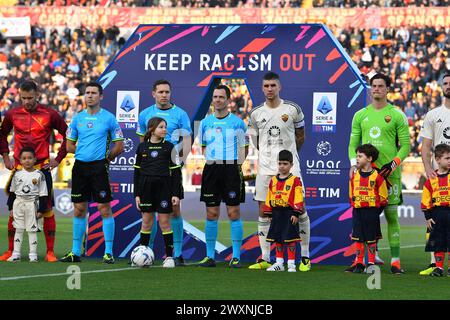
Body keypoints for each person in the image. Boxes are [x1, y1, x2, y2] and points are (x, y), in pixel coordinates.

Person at [248, 71, 311, 272]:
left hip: (291, 169)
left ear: (279, 87)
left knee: (299, 210)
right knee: (264, 213)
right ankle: (266, 257)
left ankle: (305, 257)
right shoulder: (256, 113)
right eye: (266, 86)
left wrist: (288, 158)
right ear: (262, 88)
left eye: (273, 85)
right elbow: (255, 140)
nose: (269, 89)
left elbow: (300, 136)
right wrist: (269, 156)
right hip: (265, 169)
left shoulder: (292, 109)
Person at [348, 73, 410, 274]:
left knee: (392, 216)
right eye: (373, 85)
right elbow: (352, 144)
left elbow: (406, 146)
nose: (376, 89)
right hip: (366, 177)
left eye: (380, 86)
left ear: (387, 89)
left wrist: (393, 164)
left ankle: (396, 261)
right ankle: (363, 260)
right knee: (365, 218)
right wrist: (353, 164)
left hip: (389, 177)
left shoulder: (397, 115)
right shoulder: (360, 115)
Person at [0, 80, 68, 262]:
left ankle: (50, 252)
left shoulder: (49, 114)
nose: (27, 101)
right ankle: (10, 250)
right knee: (14, 210)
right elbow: (2, 133)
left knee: (47, 211)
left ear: (37, 94)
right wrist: (5, 156)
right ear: (19, 96)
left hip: (41, 169)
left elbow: (68, 133)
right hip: (19, 171)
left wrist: (59, 158)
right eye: (23, 98)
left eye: (30, 98)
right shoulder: (12, 114)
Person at [59, 82, 124, 264]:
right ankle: (75, 252)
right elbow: (69, 145)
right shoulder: (77, 119)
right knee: (79, 209)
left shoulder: (109, 118)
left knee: (104, 208)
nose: (90, 96)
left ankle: (108, 252)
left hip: (99, 169)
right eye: (87, 93)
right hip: (80, 167)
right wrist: (84, 151)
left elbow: (120, 145)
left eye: (94, 93)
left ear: (101, 96)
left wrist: (106, 158)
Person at [136, 79, 192, 266]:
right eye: (160, 92)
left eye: (167, 92)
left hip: (170, 172)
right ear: (153, 93)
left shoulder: (180, 114)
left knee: (174, 210)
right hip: (151, 173)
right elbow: (142, 143)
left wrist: (176, 162)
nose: (164, 95)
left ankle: (177, 253)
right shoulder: (145, 114)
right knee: (148, 214)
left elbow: (186, 141)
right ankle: (146, 253)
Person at [196, 85, 248, 268]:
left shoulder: (237, 122)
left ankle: (236, 257)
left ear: (228, 99)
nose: (217, 100)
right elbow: (203, 146)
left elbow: (244, 148)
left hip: (232, 169)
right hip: (212, 169)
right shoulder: (205, 123)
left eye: (221, 97)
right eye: (215, 96)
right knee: (211, 213)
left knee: (233, 213)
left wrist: (235, 165)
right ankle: (210, 256)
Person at [133, 117, 181, 268]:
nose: (164, 129)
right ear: (151, 129)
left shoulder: (169, 147)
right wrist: (137, 194)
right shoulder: (142, 148)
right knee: (146, 223)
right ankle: (142, 256)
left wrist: (175, 193)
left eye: (165, 127)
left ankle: (169, 258)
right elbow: (137, 173)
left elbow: (176, 173)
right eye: (161, 127)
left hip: (164, 188)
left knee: (165, 223)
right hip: (146, 188)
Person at [418, 73, 450, 276]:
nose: (448, 86)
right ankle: (435, 264)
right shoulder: (433, 114)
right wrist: (428, 167)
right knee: (436, 221)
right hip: (441, 172)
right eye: (445, 83)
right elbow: (426, 146)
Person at [346, 144, 388, 273]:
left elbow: (383, 197)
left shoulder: (378, 176)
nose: (357, 159)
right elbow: (351, 194)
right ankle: (359, 263)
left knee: (371, 239)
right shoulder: (354, 175)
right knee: (358, 238)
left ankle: (370, 263)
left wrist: (375, 211)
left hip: (371, 212)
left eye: (360, 156)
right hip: (357, 211)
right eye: (356, 156)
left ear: (369, 158)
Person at [263, 150, 303, 273]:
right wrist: (269, 212)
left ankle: (291, 264)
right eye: (280, 163)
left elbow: (298, 197)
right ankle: (279, 263)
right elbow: (269, 196)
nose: (282, 166)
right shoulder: (273, 180)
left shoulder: (295, 180)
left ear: (291, 165)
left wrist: (296, 213)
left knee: (290, 239)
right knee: (278, 239)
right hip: (276, 213)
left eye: (285, 163)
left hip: (289, 213)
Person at [6, 147, 48, 262]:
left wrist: (41, 210)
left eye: (30, 158)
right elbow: (12, 192)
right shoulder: (17, 174)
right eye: (24, 158)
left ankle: (33, 255)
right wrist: (10, 207)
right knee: (18, 229)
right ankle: (16, 254)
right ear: (20, 160)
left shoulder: (39, 175)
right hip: (18, 204)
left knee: (32, 230)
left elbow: (43, 194)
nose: (27, 160)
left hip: (32, 204)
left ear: (35, 159)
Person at [420, 143, 450, 277]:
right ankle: (438, 268)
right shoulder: (431, 179)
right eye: (447, 158)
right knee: (438, 241)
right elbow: (426, 199)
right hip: (437, 214)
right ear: (437, 160)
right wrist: (427, 216)